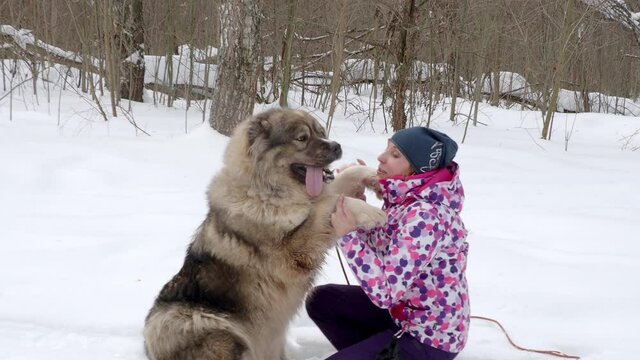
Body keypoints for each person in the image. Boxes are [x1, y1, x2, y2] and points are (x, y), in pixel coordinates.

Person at [306, 127, 470, 360]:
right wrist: (358, 204)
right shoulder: (406, 199)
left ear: (416, 168)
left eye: (395, 155)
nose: (381, 157)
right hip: (401, 315)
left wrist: (348, 235)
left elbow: (385, 291)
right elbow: (381, 249)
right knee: (322, 301)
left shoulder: (425, 216)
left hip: (428, 338)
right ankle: (375, 351)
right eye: (386, 148)